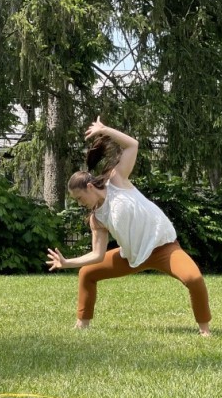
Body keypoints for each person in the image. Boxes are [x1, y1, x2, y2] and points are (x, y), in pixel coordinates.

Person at [46, 117, 212, 336]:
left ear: (88, 186)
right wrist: (67, 263)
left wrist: (104, 130)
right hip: (131, 257)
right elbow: (97, 255)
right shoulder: (97, 217)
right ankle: (82, 325)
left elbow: (132, 144)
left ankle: (204, 330)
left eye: (79, 198)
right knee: (87, 273)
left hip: (163, 248)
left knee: (194, 278)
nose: (79, 203)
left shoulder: (116, 180)